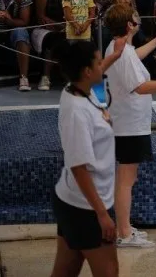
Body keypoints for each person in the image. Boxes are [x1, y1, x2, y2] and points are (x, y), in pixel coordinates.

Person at [103, 3, 156, 248]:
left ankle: (124, 228)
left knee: (127, 178)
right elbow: (139, 87)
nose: (138, 18)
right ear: (130, 25)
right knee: (126, 180)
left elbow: (134, 57)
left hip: (127, 123)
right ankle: (124, 233)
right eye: (135, 17)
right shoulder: (123, 53)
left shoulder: (119, 48)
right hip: (129, 126)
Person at [49, 39, 126, 277]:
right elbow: (78, 167)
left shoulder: (79, 90)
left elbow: (96, 71)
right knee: (109, 271)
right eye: (98, 61)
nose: (102, 65)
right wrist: (102, 215)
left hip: (74, 202)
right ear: (87, 71)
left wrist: (116, 54)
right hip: (85, 208)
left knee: (66, 270)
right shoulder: (76, 112)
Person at [33, 0, 72, 91]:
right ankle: (45, 76)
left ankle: (73, 77)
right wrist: (60, 26)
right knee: (53, 38)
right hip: (45, 28)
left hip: (69, 27)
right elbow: (40, 17)